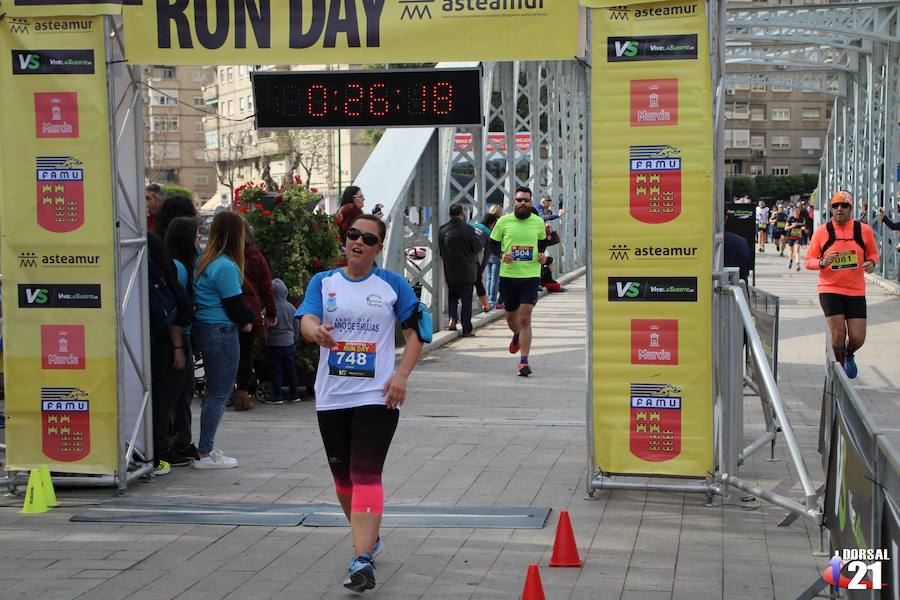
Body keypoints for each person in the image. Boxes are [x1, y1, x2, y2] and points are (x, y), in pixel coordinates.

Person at [297, 214, 423, 594]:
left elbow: (418, 333)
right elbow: (306, 319)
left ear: (378, 248)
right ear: (345, 239)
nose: (358, 242)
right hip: (332, 396)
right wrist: (315, 332)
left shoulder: (392, 286)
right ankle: (369, 537)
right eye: (353, 235)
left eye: (368, 239)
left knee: (366, 473)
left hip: (377, 396)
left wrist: (401, 376)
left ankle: (362, 558)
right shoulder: (324, 282)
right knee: (343, 480)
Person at [192, 211, 256, 468]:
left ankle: (205, 448)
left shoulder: (204, 261)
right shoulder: (227, 266)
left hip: (205, 327)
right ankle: (205, 452)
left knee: (213, 393)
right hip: (222, 331)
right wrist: (250, 317)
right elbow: (234, 306)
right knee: (218, 394)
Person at [805, 191, 878, 379]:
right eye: (835, 205)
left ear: (851, 208)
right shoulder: (822, 231)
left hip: (855, 290)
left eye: (844, 206)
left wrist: (872, 263)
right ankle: (838, 371)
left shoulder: (864, 231)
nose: (839, 209)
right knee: (838, 333)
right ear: (831, 208)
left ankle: (849, 353)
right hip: (830, 289)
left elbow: (873, 254)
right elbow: (809, 261)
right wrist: (822, 262)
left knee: (857, 338)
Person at [148, 228, 193, 473]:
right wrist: (178, 348)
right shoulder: (172, 269)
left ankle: (161, 447)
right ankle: (162, 448)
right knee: (167, 399)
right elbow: (176, 310)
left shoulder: (156, 272)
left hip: (160, 341)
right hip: (171, 340)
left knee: (164, 399)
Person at [489, 186, 547, 377]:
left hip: (530, 275)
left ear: (531, 203)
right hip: (509, 276)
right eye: (519, 200)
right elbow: (492, 243)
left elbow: (542, 243)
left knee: (525, 317)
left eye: (526, 200)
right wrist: (501, 254)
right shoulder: (504, 221)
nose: (523, 203)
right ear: (514, 202)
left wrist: (541, 256)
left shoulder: (538, 222)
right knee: (511, 318)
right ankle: (517, 335)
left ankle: (524, 362)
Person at [164, 216, 202, 462]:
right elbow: (176, 308)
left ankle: (179, 440)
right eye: (196, 235)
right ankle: (177, 442)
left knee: (184, 391)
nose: (199, 239)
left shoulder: (178, 263)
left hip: (181, 335)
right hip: (178, 336)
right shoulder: (178, 267)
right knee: (180, 392)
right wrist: (178, 346)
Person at [234, 221, 276, 411]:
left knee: (224, 355)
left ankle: (217, 391)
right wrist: (271, 313)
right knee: (245, 354)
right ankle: (242, 395)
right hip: (249, 312)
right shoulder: (255, 256)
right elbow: (266, 286)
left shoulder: (222, 256)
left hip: (224, 311)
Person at [438, 203, 483, 335]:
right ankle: (466, 329)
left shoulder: (442, 229)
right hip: (467, 270)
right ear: (462, 214)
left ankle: (452, 319)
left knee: (452, 295)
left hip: (450, 269)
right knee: (466, 301)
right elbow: (476, 248)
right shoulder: (468, 229)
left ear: (449, 214)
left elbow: (441, 251)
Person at [264, 278, 302, 404]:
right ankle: (294, 394)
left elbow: (263, 323)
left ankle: (277, 395)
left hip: (273, 343)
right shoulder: (291, 308)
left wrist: (265, 337)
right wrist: (295, 338)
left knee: (276, 370)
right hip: (289, 343)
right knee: (290, 369)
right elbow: (297, 325)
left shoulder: (269, 308)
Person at [472, 213, 499, 312]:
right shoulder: (488, 233)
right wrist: (481, 269)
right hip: (473, 261)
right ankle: (487, 305)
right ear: (492, 224)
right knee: (479, 283)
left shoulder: (472, 226)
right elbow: (487, 255)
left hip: (460, 258)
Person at [785, 205, 807, 271]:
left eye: (798, 211)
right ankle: (790, 260)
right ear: (793, 211)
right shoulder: (790, 218)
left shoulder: (802, 219)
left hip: (798, 236)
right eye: (795, 211)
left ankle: (798, 264)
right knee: (791, 251)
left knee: (797, 250)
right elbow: (786, 228)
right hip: (791, 236)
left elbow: (804, 228)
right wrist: (792, 226)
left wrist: (804, 229)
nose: (796, 212)